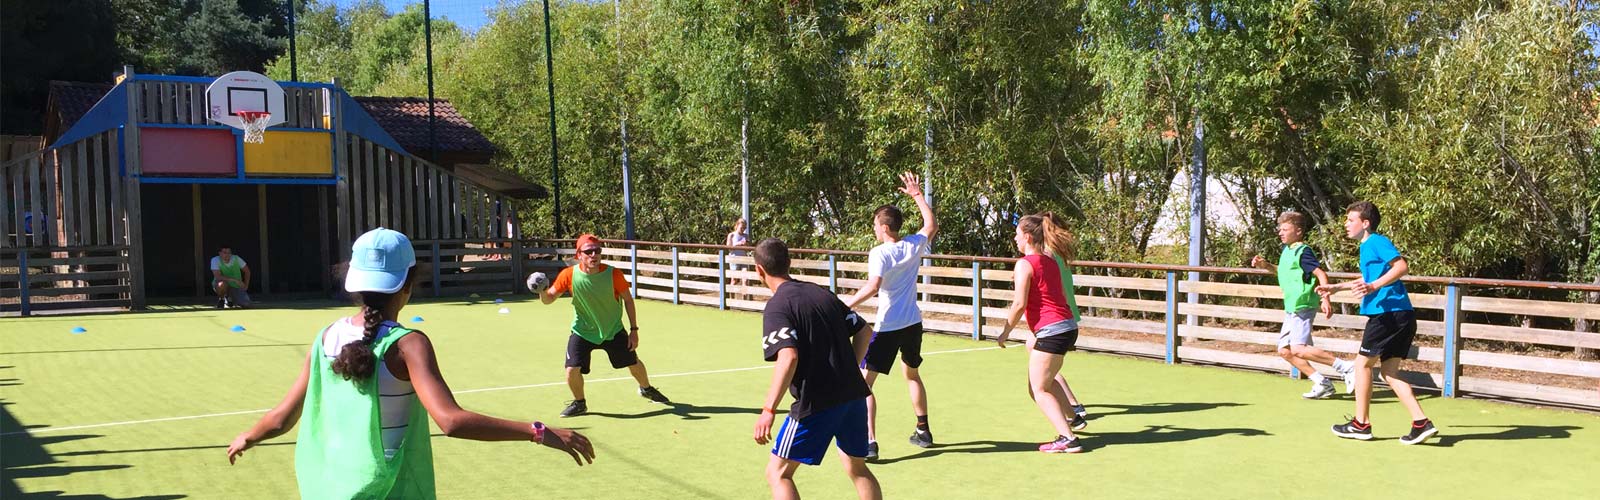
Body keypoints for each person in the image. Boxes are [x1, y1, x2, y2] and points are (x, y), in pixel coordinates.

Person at [225, 228, 595, 498]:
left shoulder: (325, 337)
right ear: (408, 284)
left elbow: (283, 417)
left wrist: (248, 436)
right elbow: (450, 421)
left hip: (328, 487)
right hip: (384, 490)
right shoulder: (408, 345)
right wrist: (538, 431)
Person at [750, 237, 882, 500]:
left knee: (778, 473)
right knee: (857, 467)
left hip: (816, 403)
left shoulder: (777, 306)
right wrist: (849, 369)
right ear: (789, 263)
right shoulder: (822, 293)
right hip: (854, 395)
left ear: (759, 270)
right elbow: (865, 332)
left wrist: (768, 409)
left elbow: (788, 357)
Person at [1316, 202, 1438, 444]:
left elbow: (1401, 266)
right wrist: (1336, 287)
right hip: (1400, 315)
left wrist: (1373, 287)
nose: (1346, 224)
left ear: (1365, 223)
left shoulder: (1376, 241)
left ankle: (1361, 424)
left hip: (1388, 315)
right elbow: (1370, 277)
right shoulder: (1367, 247)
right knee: (1389, 373)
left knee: (1361, 366)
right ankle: (1421, 423)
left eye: (1351, 220)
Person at [844, 172, 937, 459]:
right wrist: (917, 195)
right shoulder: (912, 244)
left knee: (863, 385)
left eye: (875, 224)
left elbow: (874, 286)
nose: (874, 229)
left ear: (884, 227)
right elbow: (931, 224)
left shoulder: (879, 253)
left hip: (887, 327)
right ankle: (923, 430)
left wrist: (846, 305)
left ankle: (870, 442)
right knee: (912, 375)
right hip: (912, 324)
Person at [528, 234, 670, 418]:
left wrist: (634, 330)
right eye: (588, 251)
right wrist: (541, 291)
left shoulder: (613, 274)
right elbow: (549, 299)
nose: (593, 255)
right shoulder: (569, 275)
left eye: (597, 251)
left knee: (634, 363)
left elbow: (628, 300)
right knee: (571, 369)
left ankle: (646, 389)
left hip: (612, 330)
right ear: (579, 254)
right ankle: (580, 403)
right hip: (582, 330)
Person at [995, 212, 1086, 454]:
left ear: (1026, 236)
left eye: (1017, 234)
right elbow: (1060, 297)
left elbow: (1019, 304)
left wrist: (1005, 332)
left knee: (1038, 389)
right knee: (1044, 382)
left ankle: (1069, 439)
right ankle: (1073, 417)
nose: (1014, 239)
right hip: (1066, 327)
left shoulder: (1025, 264)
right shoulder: (1050, 260)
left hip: (1053, 330)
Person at [1250, 211, 1357, 398]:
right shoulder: (1287, 251)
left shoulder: (1303, 251)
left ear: (1298, 231)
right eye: (1280, 229)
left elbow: (1320, 274)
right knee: (1285, 351)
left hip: (1303, 306)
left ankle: (1347, 368)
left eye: (1285, 229)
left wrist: (1325, 298)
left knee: (1298, 348)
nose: (1281, 233)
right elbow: (1285, 271)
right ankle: (1322, 383)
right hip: (1291, 307)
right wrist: (1266, 265)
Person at [726, 218, 752, 299]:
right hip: (734, 259)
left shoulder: (746, 236)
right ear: (737, 226)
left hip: (743, 259)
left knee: (745, 280)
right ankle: (731, 299)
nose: (743, 229)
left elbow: (749, 248)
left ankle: (744, 300)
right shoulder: (731, 235)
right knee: (734, 280)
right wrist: (738, 244)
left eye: (744, 228)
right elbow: (729, 248)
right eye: (741, 227)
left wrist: (746, 244)